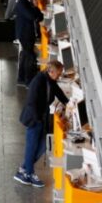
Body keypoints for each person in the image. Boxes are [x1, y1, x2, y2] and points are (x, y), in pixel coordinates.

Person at [15, 59, 70, 188]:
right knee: (32, 146)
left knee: (42, 146)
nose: (60, 75)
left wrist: (68, 103)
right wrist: (38, 120)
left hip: (40, 119)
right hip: (34, 119)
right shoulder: (39, 81)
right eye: (59, 73)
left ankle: (23, 169)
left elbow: (58, 92)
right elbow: (31, 101)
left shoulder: (50, 80)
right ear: (51, 72)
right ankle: (28, 174)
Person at [13, 0, 44, 86]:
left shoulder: (28, 1)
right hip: (25, 34)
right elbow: (32, 16)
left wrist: (35, 10)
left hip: (28, 32)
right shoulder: (22, 2)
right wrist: (35, 8)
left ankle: (21, 78)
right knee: (29, 57)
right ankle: (28, 81)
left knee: (26, 55)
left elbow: (40, 17)